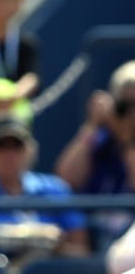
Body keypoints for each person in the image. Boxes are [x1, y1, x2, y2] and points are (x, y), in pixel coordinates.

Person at [0, 117, 89, 261]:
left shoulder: (55, 189)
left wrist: (54, 247)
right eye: (1, 146)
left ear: (31, 150)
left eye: (17, 146)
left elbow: (81, 252)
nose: (9, 155)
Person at [56, 60, 135, 251]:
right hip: (94, 233)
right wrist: (92, 125)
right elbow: (66, 177)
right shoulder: (98, 137)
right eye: (125, 105)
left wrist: (127, 142)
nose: (131, 113)